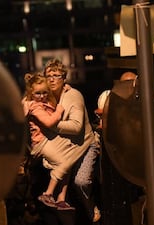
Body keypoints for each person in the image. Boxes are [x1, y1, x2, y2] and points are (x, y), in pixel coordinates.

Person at [43, 58, 101, 223]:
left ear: (64, 79)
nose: (52, 79)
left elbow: (76, 126)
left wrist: (51, 125)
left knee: (81, 181)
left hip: (84, 146)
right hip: (65, 148)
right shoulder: (46, 97)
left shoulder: (73, 95)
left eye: (56, 75)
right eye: (49, 76)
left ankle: (92, 210)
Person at [23, 72, 84, 210]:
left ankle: (61, 198)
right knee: (64, 162)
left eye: (45, 92)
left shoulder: (44, 101)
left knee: (69, 160)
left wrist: (63, 91)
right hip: (41, 143)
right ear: (31, 93)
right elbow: (49, 122)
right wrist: (59, 111)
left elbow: (54, 102)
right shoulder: (35, 106)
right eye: (38, 93)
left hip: (49, 139)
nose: (42, 96)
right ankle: (48, 193)